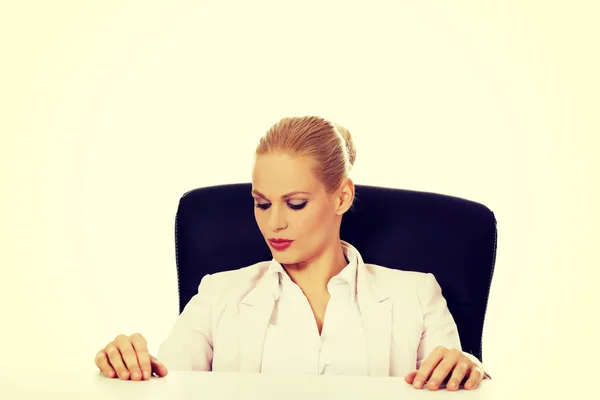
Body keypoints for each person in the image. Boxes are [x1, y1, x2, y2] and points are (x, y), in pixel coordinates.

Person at [95, 116, 488, 391]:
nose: (274, 224)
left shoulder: (416, 294)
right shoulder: (219, 294)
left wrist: (464, 369)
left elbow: (453, 377)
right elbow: (167, 381)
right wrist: (130, 364)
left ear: (342, 196)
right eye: (262, 204)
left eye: (296, 203)